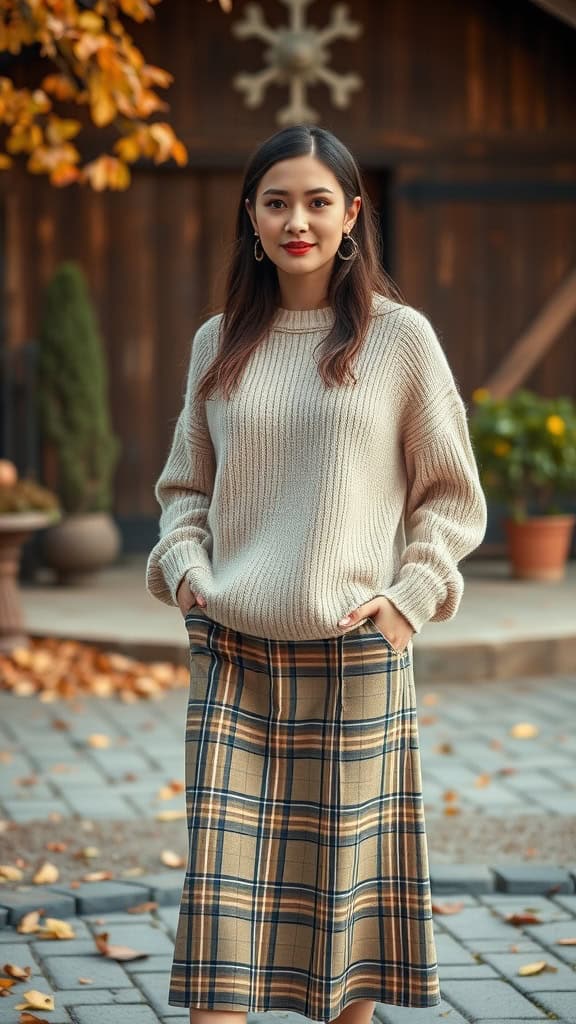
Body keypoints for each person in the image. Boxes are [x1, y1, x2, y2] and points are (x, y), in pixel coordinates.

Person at [145, 123, 487, 1024]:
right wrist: (186, 571)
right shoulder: (218, 341)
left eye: (317, 201)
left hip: (355, 657)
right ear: (251, 216)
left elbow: (451, 496)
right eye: (277, 201)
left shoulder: (401, 340)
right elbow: (184, 488)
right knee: (221, 911)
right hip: (234, 659)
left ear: (352, 215)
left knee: (343, 922)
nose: (298, 220)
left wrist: (409, 601)